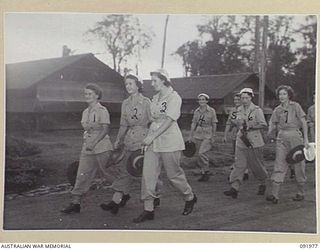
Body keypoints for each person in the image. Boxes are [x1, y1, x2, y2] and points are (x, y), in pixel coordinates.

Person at [133, 69, 197, 223]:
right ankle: (148, 209)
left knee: (173, 175)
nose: (152, 84)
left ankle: (189, 197)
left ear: (164, 80)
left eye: (155, 81)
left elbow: (169, 121)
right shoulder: (155, 98)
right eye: (152, 81)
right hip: (153, 141)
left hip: (170, 141)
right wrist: (147, 137)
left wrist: (152, 136)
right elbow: (153, 120)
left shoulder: (174, 97)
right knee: (148, 175)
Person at [99, 74, 160, 215]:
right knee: (124, 170)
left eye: (131, 84)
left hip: (144, 142)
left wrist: (151, 138)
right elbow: (123, 124)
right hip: (129, 141)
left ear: (138, 85)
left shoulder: (146, 102)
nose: (128, 87)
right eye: (126, 84)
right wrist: (118, 140)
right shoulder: (125, 103)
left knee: (144, 172)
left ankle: (156, 194)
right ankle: (115, 201)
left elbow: (153, 122)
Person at [61, 83, 113, 214]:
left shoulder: (102, 110)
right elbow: (87, 128)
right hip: (88, 147)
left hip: (102, 146)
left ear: (97, 95)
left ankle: (121, 196)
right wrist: (88, 141)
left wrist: (94, 142)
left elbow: (105, 129)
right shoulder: (85, 112)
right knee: (81, 174)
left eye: (90, 94)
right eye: (85, 94)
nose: (87, 96)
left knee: (109, 174)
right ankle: (75, 203)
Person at [266, 85, 309, 204]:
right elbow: (273, 123)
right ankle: (274, 195)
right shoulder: (277, 110)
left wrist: (305, 139)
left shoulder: (296, 106)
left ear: (289, 95)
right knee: (279, 163)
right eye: (280, 94)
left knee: (299, 165)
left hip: (295, 136)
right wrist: (270, 132)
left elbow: (303, 122)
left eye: (284, 94)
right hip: (281, 137)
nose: (282, 96)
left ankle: (301, 192)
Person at [224, 88, 268, 199]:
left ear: (251, 98)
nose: (244, 100)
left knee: (257, 165)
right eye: (242, 98)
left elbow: (263, 124)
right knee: (239, 164)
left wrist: (251, 126)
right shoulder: (238, 110)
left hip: (254, 141)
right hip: (241, 139)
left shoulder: (257, 110)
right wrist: (236, 125)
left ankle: (263, 183)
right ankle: (234, 187)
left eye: (246, 98)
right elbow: (233, 121)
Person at [187, 93, 218, 182]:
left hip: (208, 133)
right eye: (200, 100)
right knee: (199, 155)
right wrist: (190, 135)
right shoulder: (196, 111)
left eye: (203, 99)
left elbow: (214, 123)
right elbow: (193, 123)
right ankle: (203, 173)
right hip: (198, 133)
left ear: (207, 101)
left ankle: (207, 171)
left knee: (202, 153)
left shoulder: (211, 111)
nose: (201, 101)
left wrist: (213, 135)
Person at [223, 93, 249, 181]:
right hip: (235, 132)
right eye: (235, 100)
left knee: (244, 152)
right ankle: (240, 171)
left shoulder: (246, 109)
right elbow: (229, 122)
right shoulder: (233, 110)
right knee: (236, 152)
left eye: (238, 100)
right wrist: (225, 134)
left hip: (245, 133)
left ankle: (244, 171)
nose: (236, 101)